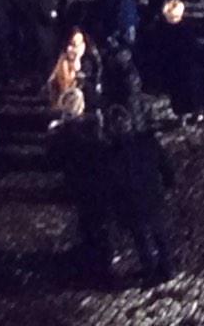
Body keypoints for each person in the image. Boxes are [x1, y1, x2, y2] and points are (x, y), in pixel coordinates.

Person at [105, 106, 176, 284]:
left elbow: (112, 180)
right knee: (159, 232)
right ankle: (167, 268)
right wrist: (168, 183)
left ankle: (150, 269)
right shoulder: (147, 141)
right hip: (152, 194)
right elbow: (165, 164)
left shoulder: (111, 152)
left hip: (131, 200)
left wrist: (115, 204)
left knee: (141, 236)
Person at [46, 89, 113, 275]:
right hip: (95, 179)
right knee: (98, 220)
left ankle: (93, 255)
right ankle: (101, 258)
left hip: (78, 181)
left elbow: (53, 159)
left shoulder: (62, 130)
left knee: (88, 219)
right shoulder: (93, 125)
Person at [139, 0, 203, 125]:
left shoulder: (166, 29)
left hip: (179, 66)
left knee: (182, 91)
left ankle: (187, 114)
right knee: (186, 91)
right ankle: (191, 113)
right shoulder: (185, 28)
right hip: (183, 66)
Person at [47, 28, 102, 110]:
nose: (71, 49)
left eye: (75, 45)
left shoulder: (89, 65)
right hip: (63, 105)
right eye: (70, 44)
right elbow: (62, 87)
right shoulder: (61, 63)